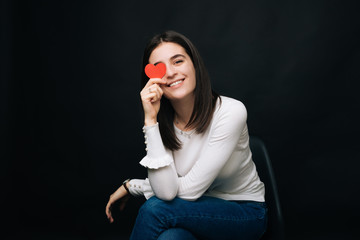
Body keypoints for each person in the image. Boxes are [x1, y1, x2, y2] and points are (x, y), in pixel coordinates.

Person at [105, 30, 267, 240]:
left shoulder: (230, 111)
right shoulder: (162, 124)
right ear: (151, 81)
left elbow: (184, 193)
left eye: (178, 61)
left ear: (194, 64)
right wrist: (150, 122)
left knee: (155, 208)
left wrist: (134, 186)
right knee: (169, 238)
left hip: (243, 213)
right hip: (189, 212)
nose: (171, 73)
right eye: (160, 69)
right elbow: (166, 191)